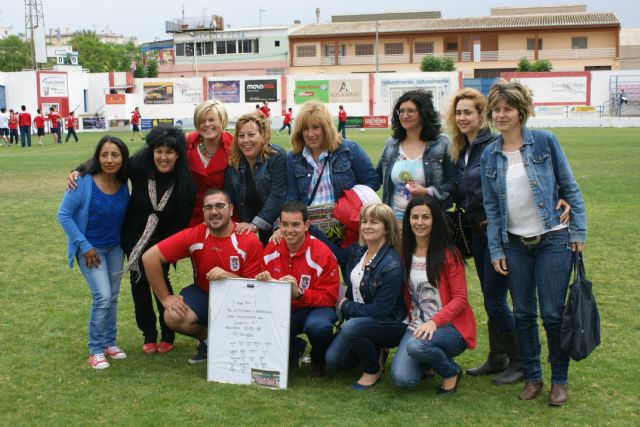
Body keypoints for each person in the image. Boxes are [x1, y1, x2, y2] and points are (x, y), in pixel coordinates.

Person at [481, 80, 587, 406]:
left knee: (553, 314)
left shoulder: (544, 141)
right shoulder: (489, 153)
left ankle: (559, 380)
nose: (501, 115)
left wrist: (578, 232)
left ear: (521, 111)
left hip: (553, 239)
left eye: (507, 109)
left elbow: (570, 188)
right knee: (524, 314)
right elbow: (492, 208)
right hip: (514, 244)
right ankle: (532, 377)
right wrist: (496, 248)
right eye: (496, 109)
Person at [67, 127, 197, 354]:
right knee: (138, 283)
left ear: (178, 155)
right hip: (133, 238)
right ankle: (148, 334)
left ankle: (168, 332)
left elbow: (180, 223)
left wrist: (163, 250)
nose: (164, 157)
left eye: (170, 152)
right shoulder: (138, 165)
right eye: (159, 151)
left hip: (163, 243)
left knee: (160, 280)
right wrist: (78, 170)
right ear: (152, 151)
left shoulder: (185, 183)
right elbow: (110, 164)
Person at [141, 189, 266, 364]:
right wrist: (165, 298)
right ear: (203, 212)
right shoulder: (196, 234)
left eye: (219, 206)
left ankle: (238, 342)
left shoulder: (248, 239)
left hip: (240, 303)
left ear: (230, 209)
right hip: (205, 294)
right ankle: (208, 340)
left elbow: (256, 289)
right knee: (172, 315)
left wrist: (229, 277)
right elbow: (149, 257)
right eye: (208, 207)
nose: (214, 212)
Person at [57, 136, 130, 369]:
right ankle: (96, 350)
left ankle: (109, 342)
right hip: (91, 249)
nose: (109, 160)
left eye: (115, 155)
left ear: (122, 158)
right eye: (104, 155)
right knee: (103, 297)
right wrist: (84, 245)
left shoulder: (123, 182)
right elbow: (64, 215)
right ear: (98, 157)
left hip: (114, 248)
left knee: (114, 297)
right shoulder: (82, 183)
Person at [390, 196, 476, 395]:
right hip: (417, 325)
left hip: (449, 327)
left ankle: (451, 371)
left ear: (435, 220)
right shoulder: (405, 253)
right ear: (408, 219)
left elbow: (460, 298)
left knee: (416, 346)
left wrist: (435, 322)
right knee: (403, 379)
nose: (419, 222)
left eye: (426, 217)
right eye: (415, 217)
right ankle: (427, 361)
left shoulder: (449, 254)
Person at [325, 203, 407, 390]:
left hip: (390, 322)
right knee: (334, 361)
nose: (367, 226)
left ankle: (372, 370)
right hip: (360, 320)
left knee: (352, 328)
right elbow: (335, 254)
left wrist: (345, 306)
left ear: (387, 228)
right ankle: (374, 349)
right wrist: (310, 229)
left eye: (374, 222)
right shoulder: (357, 251)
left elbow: (379, 311)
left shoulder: (392, 265)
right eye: (364, 221)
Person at [257, 201, 339, 378]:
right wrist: (264, 281)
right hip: (284, 309)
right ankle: (295, 348)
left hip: (315, 309)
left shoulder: (322, 253)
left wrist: (300, 293)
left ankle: (318, 360)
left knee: (319, 327)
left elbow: (330, 297)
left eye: (295, 225)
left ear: (307, 225)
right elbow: (260, 287)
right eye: (284, 224)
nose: (289, 230)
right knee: (259, 321)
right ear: (279, 225)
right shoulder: (272, 247)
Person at [377, 90, 456, 235]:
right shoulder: (392, 143)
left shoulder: (442, 142)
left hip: (430, 223)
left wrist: (427, 191)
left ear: (423, 113)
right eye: (401, 111)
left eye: (410, 111)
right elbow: (375, 178)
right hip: (396, 224)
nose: (404, 115)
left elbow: (454, 182)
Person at [286, 101, 379, 207]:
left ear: (326, 128)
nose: (310, 134)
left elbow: (372, 180)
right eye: (305, 129)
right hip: (309, 222)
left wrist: (352, 203)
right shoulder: (293, 157)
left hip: (342, 221)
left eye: (316, 127)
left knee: (338, 224)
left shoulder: (349, 149)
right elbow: (291, 198)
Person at [224, 112, 287, 245]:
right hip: (247, 224)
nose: (246, 140)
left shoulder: (276, 157)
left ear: (263, 136)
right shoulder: (234, 162)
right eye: (241, 136)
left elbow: (277, 195)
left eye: (251, 135)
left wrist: (254, 225)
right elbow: (227, 196)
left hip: (277, 224)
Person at [186, 99, 233, 226]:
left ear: (222, 121)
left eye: (211, 120)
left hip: (224, 217)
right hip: (191, 215)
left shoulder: (234, 145)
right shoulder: (187, 142)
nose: (206, 124)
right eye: (202, 121)